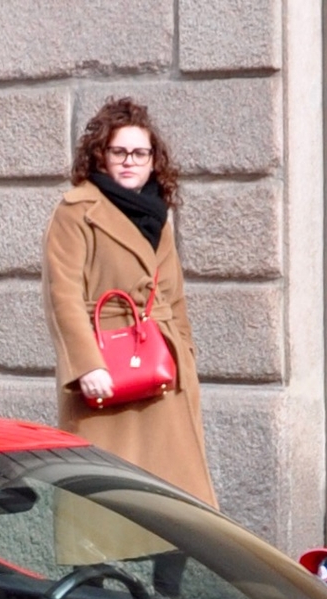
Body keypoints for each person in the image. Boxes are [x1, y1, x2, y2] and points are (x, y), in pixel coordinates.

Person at [41, 98, 214, 504]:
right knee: (111, 506)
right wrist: (85, 364)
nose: (130, 162)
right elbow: (62, 295)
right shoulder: (76, 211)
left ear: (154, 160)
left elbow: (174, 296)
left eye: (140, 153)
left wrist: (186, 356)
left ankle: (167, 569)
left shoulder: (157, 215)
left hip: (161, 370)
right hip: (107, 373)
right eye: (119, 152)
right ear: (100, 156)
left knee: (178, 506)